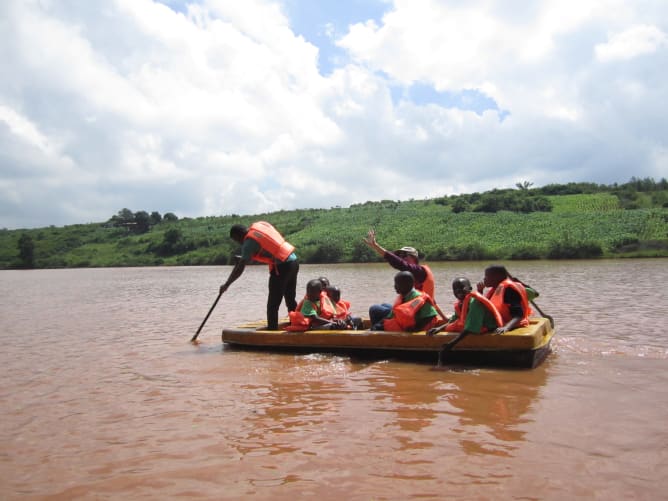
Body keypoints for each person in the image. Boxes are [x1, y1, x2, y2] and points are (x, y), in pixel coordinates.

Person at [219, 221, 299, 330]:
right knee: (290, 299)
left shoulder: (248, 243)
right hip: (293, 260)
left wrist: (227, 284)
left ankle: (272, 332)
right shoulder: (260, 225)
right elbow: (266, 249)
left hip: (282, 267)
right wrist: (243, 258)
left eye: (236, 240)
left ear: (237, 236)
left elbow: (240, 268)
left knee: (273, 304)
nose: (238, 243)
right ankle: (296, 324)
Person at [363, 229, 447, 321]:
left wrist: (376, 246)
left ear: (414, 258)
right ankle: (384, 328)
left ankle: (380, 332)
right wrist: (445, 319)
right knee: (384, 305)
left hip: (418, 316)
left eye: (405, 255)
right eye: (400, 256)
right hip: (414, 311)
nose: (402, 258)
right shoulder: (413, 275)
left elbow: (398, 263)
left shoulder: (420, 271)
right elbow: (433, 301)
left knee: (374, 309)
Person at [427, 277, 503, 336]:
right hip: (469, 326)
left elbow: (473, 323)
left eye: (462, 288)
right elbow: (454, 319)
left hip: (484, 327)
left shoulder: (474, 302)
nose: (458, 291)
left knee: (456, 326)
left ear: (470, 289)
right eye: (455, 289)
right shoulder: (459, 303)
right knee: (450, 327)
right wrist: (439, 328)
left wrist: (451, 344)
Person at [370, 271, 441, 332]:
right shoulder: (403, 295)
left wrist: (416, 328)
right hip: (402, 322)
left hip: (410, 327)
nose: (394, 286)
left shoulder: (418, 299)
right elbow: (390, 316)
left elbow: (431, 315)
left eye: (397, 284)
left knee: (374, 309)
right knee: (383, 308)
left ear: (407, 285)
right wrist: (377, 325)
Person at [476, 265, 532, 334]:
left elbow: (519, 315)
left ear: (496, 277)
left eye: (487, 276)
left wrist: (506, 327)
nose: (484, 279)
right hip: (500, 321)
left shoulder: (509, 290)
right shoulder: (495, 289)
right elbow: (485, 307)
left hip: (513, 323)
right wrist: (480, 291)